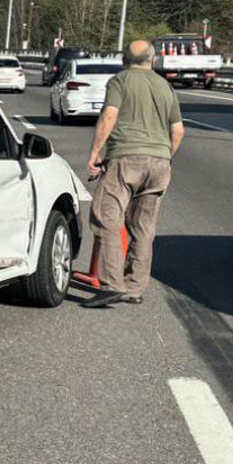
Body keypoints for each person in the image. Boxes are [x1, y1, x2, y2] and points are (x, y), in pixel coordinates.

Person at [82, 40, 185, 308]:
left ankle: (111, 285)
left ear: (123, 59)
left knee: (106, 217)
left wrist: (95, 152)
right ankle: (134, 287)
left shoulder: (120, 81)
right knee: (144, 228)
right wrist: (164, 156)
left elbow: (109, 115)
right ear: (153, 60)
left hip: (126, 160)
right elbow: (178, 131)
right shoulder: (166, 86)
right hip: (161, 163)